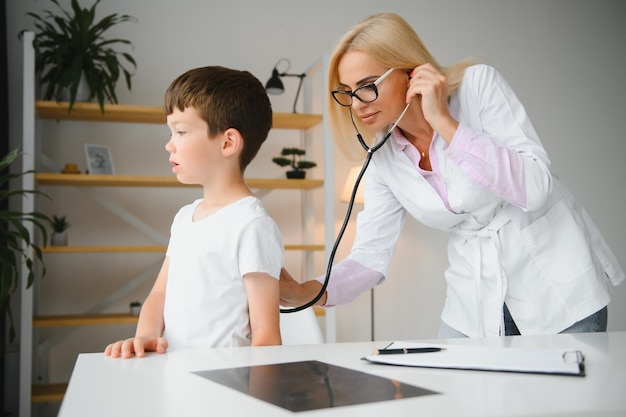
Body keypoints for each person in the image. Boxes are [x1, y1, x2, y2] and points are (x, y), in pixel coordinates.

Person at [280, 13, 624, 338]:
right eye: (347, 91)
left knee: (563, 402)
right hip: (473, 297)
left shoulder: (478, 87)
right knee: (462, 395)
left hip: (555, 288)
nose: (357, 103)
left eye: (367, 85)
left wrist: (446, 124)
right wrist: (306, 293)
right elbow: (370, 256)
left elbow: (536, 187)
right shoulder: (382, 156)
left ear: (411, 73)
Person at [105, 66, 284, 358]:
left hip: (225, 385)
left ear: (228, 142)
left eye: (181, 131)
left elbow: (266, 336)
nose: (169, 143)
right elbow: (159, 294)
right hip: (178, 376)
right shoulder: (185, 218)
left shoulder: (252, 225)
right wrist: (145, 338)